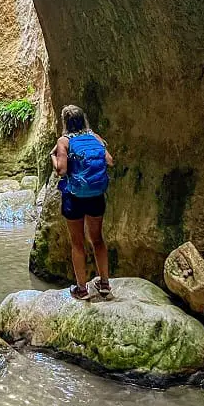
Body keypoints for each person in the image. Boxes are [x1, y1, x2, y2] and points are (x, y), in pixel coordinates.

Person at [50, 105, 114, 300]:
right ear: (83, 119)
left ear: (65, 122)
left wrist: (53, 156)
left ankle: (81, 289)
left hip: (74, 197)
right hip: (95, 196)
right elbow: (110, 161)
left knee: (77, 243)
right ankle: (104, 285)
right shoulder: (95, 137)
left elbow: (61, 170)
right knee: (97, 239)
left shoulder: (64, 141)